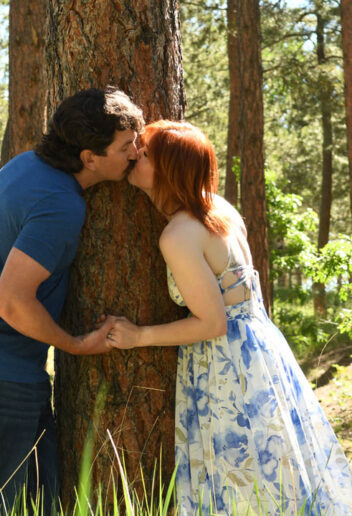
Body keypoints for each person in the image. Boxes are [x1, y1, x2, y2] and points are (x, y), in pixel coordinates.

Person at [101, 120, 352, 515]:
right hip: (260, 350)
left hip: (226, 365)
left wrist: (138, 336)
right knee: (273, 471)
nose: (135, 155)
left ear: (169, 169)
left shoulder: (180, 234)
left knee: (241, 477)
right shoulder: (219, 209)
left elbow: (212, 322)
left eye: (145, 153)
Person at [0, 87, 144, 514]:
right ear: (89, 158)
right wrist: (76, 345)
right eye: (126, 146)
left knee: (37, 503)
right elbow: (10, 302)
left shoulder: (27, 167)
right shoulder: (59, 204)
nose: (136, 152)